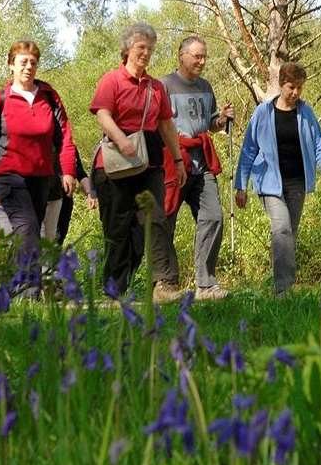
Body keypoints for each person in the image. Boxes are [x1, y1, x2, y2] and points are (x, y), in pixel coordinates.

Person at [89, 22, 187, 302]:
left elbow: (166, 124)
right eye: (141, 47)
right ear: (128, 49)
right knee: (118, 228)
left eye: (150, 48)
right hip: (115, 165)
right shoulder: (112, 80)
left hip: (149, 160)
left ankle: (163, 285)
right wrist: (122, 140)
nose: (145, 53)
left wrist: (178, 160)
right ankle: (114, 290)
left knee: (154, 220)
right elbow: (102, 115)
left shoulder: (156, 87)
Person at [0, 40, 78, 280]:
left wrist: (69, 170)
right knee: (28, 229)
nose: (29, 67)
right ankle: (29, 293)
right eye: (23, 62)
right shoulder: (0, 100)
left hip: (41, 176)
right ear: (11, 65)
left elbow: (65, 135)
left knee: (27, 234)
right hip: (8, 175)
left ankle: (8, 284)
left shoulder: (49, 97)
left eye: (33, 62)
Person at [234, 61, 321, 295]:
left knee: (290, 232)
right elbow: (249, 149)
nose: (296, 93)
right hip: (269, 183)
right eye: (291, 87)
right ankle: (283, 289)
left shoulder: (305, 112)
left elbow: (320, 144)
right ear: (281, 84)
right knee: (281, 229)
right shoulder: (263, 113)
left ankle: (284, 284)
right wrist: (240, 185)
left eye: (300, 88)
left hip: (297, 182)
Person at [161, 36, 235, 300]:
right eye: (197, 56)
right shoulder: (164, 85)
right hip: (172, 162)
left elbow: (210, 124)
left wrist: (221, 119)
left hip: (201, 163)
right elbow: (158, 124)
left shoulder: (205, 86)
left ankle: (205, 284)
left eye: (204, 56)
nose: (202, 61)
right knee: (165, 220)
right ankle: (165, 283)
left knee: (213, 216)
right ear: (181, 55)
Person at [54, 149, 97, 246]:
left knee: (58, 240)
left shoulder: (70, 148)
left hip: (65, 202)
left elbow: (80, 173)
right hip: (44, 200)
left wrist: (91, 194)